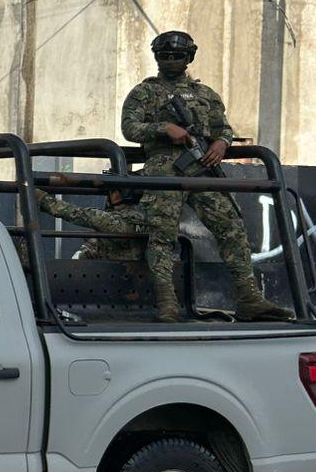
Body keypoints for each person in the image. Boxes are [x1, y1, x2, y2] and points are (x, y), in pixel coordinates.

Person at [121, 30, 289, 322]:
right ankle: (167, 302)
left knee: (231, 226)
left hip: (201, 169)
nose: (171, 60)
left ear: (189, 58)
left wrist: (222, 143)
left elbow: (222, 127)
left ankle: (249, 298)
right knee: (161, 234)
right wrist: (164, 129)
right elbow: (130, 128)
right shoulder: (144, 92)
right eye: (165, 55)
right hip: (164, 172)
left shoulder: (205, 94)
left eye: (177, 55)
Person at [36, 177, 147, 263]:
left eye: (111, 191)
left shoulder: (110, 220)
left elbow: (73, 213)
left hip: (112, 277)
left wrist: (41, 198)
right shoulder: (147, 218)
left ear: (117, 195)